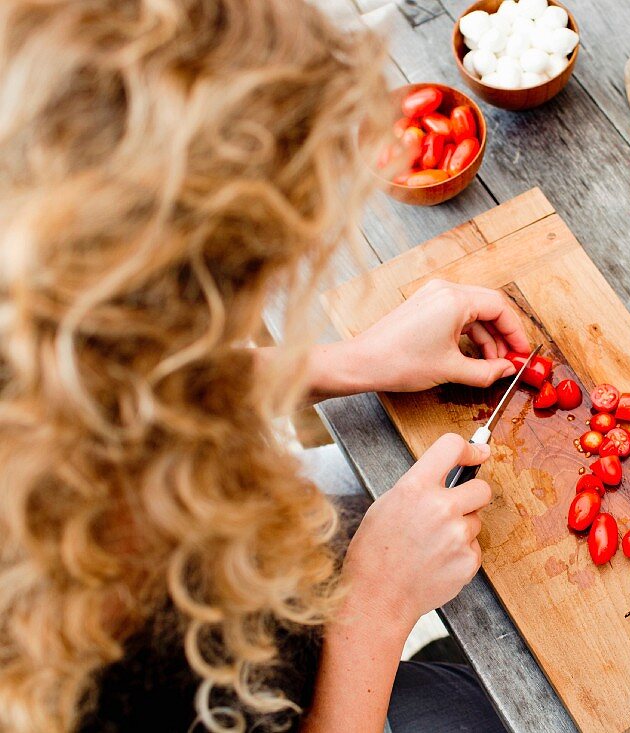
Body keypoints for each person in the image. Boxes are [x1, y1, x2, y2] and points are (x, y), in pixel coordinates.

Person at [0, 1, 525, 731]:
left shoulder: (33, 309)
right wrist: (372, 610)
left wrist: (355, 360)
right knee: (467, 707)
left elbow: (149, 372)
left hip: (270, 628)